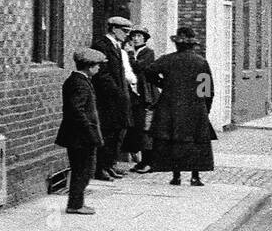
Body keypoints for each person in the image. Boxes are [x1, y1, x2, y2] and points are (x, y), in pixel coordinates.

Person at [148, 27, 216, 186]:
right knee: (195, 141)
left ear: (177, 45)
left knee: (173, 140)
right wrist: (205, 109)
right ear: (193, 45)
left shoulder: (167, 59)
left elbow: (149, 71)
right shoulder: (200, 62)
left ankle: (176, 175)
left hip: (170, 106)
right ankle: (195, 176)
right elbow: (206, 89)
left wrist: (162, 84)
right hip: (195, 107)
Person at [55, 48, 106, 215]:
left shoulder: (78, 80)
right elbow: (77, 111)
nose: (99, 68)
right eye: (97, 65)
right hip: (81, 136)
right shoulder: (79, 83)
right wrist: (90, 132)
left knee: (82, 169)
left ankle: (77, 202)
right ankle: (75, 204)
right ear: (89, 66)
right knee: (84, 170)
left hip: (78, 135)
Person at [91, 16, 135, 180]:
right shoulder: (102, 45)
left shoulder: (116, 46)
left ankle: (109, 165)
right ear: (114, 29)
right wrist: (117, 92)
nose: (127, 35)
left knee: (116, 134)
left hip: (117, 99)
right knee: (107, 133)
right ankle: (101, 168)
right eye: (124, 31)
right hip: (107, 100)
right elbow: (103, 75)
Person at [122, 28, 156, 173]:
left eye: (139, 36)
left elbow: (138, 67)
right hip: (134, 96)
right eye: (133, 36)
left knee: (146, 128)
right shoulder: (132, 52)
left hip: (146, 96)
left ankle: (148, 162)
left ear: (145, 38)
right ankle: (141, 160)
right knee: (136, 129)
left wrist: (129, 54)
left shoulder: (148, 52)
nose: (136, 39)